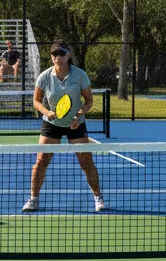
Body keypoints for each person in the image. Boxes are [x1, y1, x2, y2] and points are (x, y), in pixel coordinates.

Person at [22, 40, 104, 214]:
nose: (57, 57)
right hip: (51, 123)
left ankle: (98, 197)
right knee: (41, 161)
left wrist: (79, 115)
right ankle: (33, 199)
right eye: (54, 54)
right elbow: (36, 101)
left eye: (61, 53)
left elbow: (89, 101)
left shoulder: (80, 75)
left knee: (86, 161)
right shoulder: (44, 76)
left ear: (68, 55)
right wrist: (47, 112)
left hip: (76, 123)